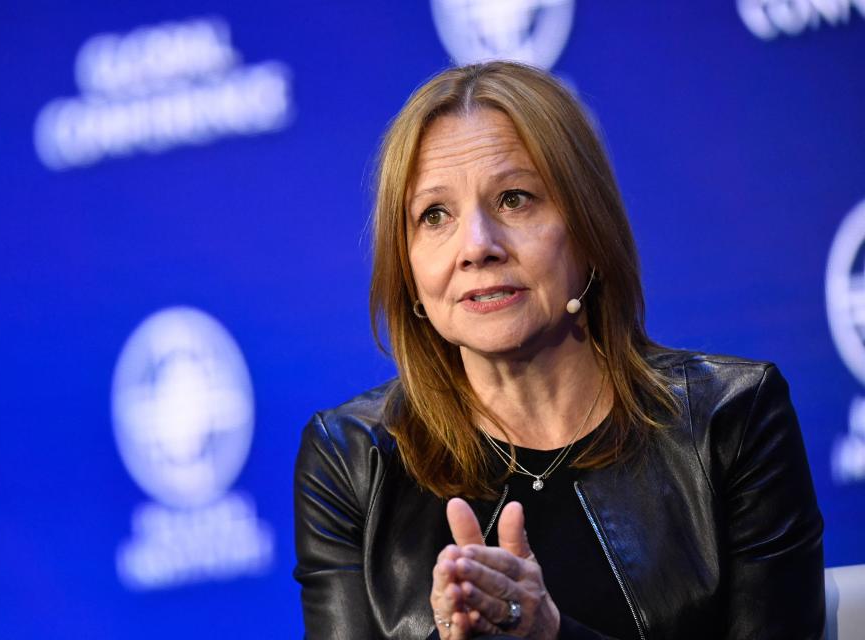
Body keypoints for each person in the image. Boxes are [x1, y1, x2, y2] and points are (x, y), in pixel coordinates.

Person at [293, 61, 824, 639]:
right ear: (409, 267)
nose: (476, 246)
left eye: (514, 199)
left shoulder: (731, 422)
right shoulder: (353, 461)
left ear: (589, 226)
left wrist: (549, 634)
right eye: (435, 215)